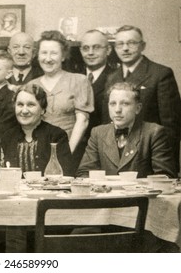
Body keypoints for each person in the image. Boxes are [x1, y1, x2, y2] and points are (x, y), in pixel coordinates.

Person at [102, 25, 181, 171]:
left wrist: (167, 166)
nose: (125, 48)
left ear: (142, 46)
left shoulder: (160, 74)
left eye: (131, 43)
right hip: (117, 158)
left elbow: (171, 126)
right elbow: (107, 123)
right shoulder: (111, 78)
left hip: (150, 156)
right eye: (120, 44)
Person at [77, 82, 177, 178]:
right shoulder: (98, 133)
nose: (117, 110)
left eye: (125, 104)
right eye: (112, 104)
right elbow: (84, 173)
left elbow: (165, 177)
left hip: (140, 195)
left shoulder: (153, 132)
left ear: (138, 108)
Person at [27, 30, 93, 172]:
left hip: (71, 151)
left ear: (63, 56)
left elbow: (83, 121)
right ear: (37, 55)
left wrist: (65, 154)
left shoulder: (79, 81)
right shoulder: (31, 86)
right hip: (39, 153)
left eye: (54, 53)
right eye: (44, 53)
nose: (48, 58)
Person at [1, 84, 73, 176]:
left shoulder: (56, 135)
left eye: (31, 105)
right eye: (20, 105)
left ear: (42, 109)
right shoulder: (7, 136)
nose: (24, 111)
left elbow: (66, 174)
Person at [79, 29, 114, 134]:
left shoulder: (116, 78)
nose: (90, 53)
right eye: (86, 48)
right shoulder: (73, 77)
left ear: (108, 50)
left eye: (96, 47)